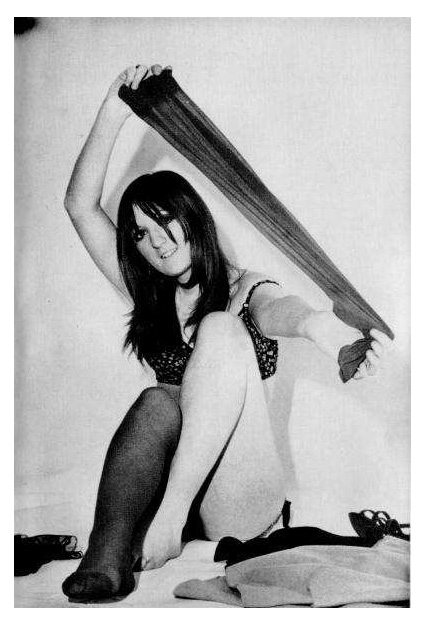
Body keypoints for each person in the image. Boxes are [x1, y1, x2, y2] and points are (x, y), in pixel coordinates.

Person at [61, 64, 392, 602]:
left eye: (165, 221)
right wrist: (114, 109)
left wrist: (322, 330)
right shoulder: (150, 295)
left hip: (239, 500)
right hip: (179, 493)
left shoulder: (245, 288)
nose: (156, 241)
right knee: (157, 400)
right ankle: (105, 560)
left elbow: (281, 311)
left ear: (192, 219)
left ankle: (167, 522)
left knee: (218, 328)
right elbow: (80, 206)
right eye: (140, 233)